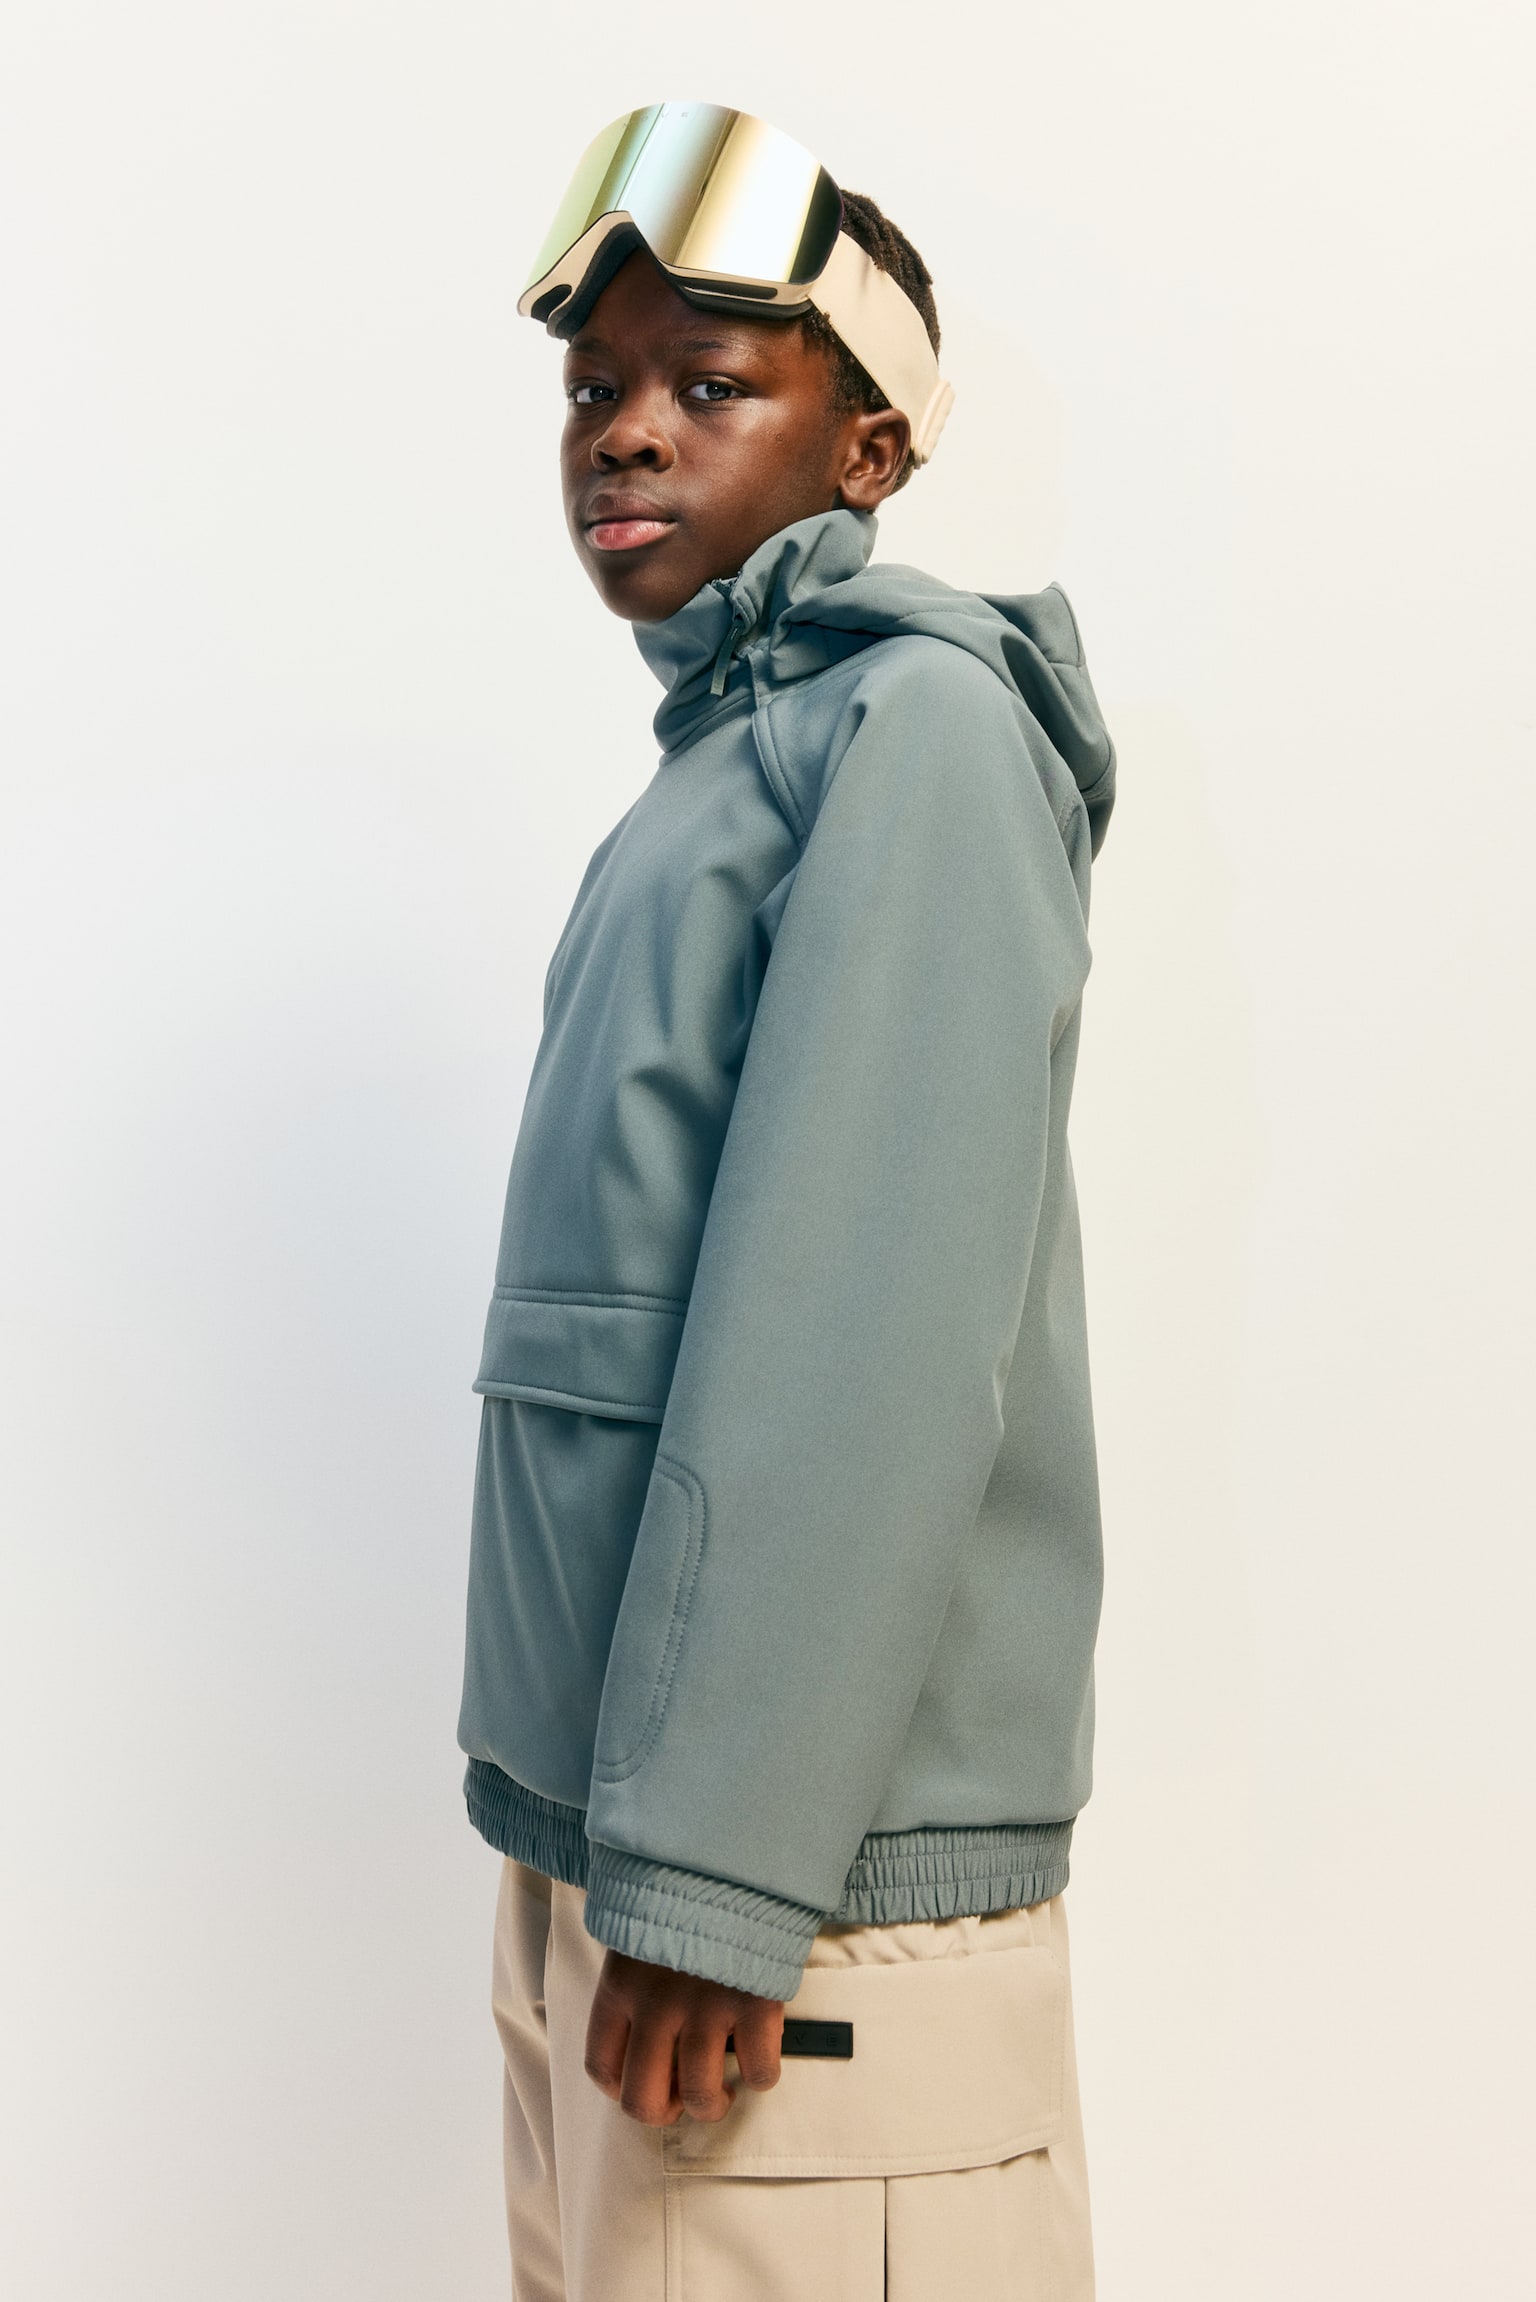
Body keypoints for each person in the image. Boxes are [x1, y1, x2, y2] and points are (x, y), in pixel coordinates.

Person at [457, 103, 1116, 2301]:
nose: (627, 430)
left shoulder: (916, 735)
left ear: (870, 448)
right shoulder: (715, 777)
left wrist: (718, 1868)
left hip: (796, 1915)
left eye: (711, 383)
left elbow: (861, 1338)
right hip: (620, 1873)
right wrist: (597, 1870)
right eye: (595, 385)